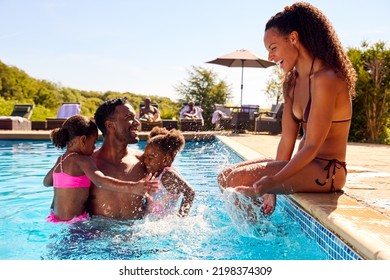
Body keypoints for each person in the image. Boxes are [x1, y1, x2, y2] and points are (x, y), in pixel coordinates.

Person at [218, 2, 357, 216]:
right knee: (226, 176)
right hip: (303, 165)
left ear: (293, 38)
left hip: (327, 170)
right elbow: (287, 140)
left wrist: (274, 181)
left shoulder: (327, 79)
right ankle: (258, 232)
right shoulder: (291, 83)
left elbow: (311, 146)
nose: (270, 57)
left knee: (237, 180)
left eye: (273, 48)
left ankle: (259, 236)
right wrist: (271, 188)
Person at [43, 114, 159, 223]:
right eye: (93, 142)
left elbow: (46, 182)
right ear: (83, 140)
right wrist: (133, 187)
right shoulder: (83, 160)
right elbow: (100, 181)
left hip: (55, 219)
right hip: (75, 222)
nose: (94, 148)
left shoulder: (61, 160)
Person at [87, 97, 156, 219]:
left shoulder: (143, 161)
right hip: (98, 235)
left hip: (137, 235)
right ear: (110, 125)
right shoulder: (88, 165)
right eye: (129, 118)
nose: (137, 122)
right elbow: (64, 207)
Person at [142, 127, 195, 218]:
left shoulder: (167, 175)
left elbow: (190, 192)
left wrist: (181, 218)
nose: (146, 161)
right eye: (145, 157)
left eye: (150, 158)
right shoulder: (156, 173)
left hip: (163, 225)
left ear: (166, 159)